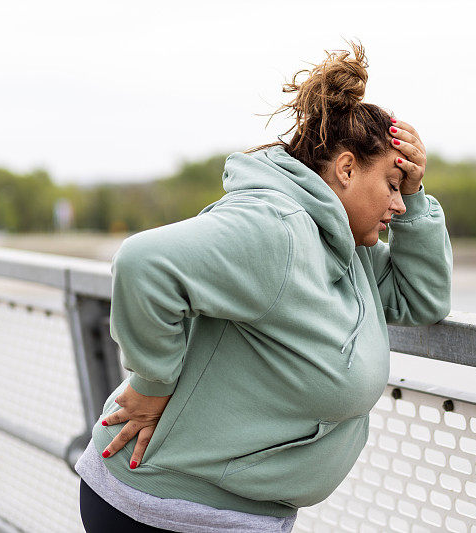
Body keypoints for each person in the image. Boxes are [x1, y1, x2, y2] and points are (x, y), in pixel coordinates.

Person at [74, 40, 452, 533]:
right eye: (391, 186)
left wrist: (419, 196)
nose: (399, 206)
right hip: (166, 510)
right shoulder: (277, 229)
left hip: (225, 510)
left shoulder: (346, 251)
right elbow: (144, 264)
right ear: (345, 169)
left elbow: (420, 298)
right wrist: (152, 385)